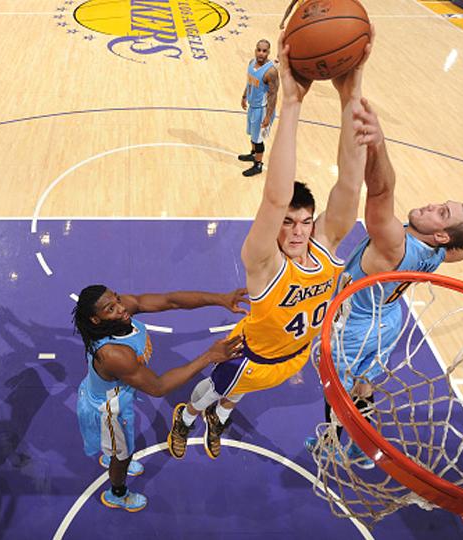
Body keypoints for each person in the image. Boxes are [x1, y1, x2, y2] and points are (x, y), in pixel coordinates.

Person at [168, 27, 373, 461]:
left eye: (303, 222)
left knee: (232, 400)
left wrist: (351, 92)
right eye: (287, 223)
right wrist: (294, 103)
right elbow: (275, 196)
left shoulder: (324, 246)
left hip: (294, 357)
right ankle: (186, 417)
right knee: (215, 391)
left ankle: (218, 415)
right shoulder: (262, 263)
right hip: (251, 356)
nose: (297, 231)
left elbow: (352, 183)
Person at [305, 97, 463, 468]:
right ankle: (364, 447)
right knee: (363, 386)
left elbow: (381, 193)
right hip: (387, 321)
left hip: (354, 325)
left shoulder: (394, 245)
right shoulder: (440, 254)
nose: (431, 206)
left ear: (443, 235)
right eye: (439, 203)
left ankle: (336, 443)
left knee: (336, 390)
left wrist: (379, 143)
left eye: (441, 213)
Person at [73, 285, 248, 511]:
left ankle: (111, 455)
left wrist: (220, 297)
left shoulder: (120, 311)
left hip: (113, 389)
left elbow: (170, 300)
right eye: (111, 308)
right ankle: (117, 492)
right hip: (109, 408)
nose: (121, 308)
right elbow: (158, 387)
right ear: (96, 320)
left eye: (117, 299)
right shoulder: (113, 354)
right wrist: (209, 356)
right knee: (123, 455)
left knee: (119, 449)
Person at [238, 39, 279, 177]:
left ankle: (258, 165)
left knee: (258, 139)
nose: (261, 53)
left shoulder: (271, 72)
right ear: (255, 50)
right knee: (252, 134)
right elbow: (250, 82)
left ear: (269, 52)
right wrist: (244, 96)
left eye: (264, 51)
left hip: (262, 110)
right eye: (259, 50)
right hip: (252, 106)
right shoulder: (251, 63)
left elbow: (273, 95)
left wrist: (268, 116)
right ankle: (253, 154)